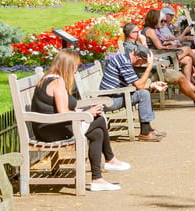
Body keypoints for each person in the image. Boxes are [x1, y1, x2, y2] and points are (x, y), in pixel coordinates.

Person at [31, 49, 129, 192]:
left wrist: (85, 111)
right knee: (100, 120)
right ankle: (109, 159)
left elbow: (67, 107)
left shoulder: (52, 78)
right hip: (51, 131)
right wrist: (87, 112)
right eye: (75, 66)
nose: (76, 70)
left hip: (51, 126)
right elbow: (63, 112)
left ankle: (97, 179)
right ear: (68, 66)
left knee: (97, 133)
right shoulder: (57, 82)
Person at [141, 9, 195, 79]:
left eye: (164, 21)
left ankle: (191, 83)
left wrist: (169, 44)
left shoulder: (152, 29)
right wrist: (171, 47)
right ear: (154, 19)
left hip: (162, 54)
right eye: (161, 21)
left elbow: (159, 45)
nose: (163, 23)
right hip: (160, 56)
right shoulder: (150, 31)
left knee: (188, 59)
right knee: (188, 49)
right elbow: (159, 47)